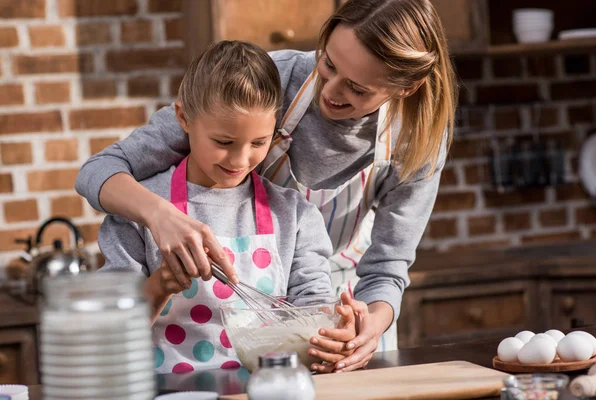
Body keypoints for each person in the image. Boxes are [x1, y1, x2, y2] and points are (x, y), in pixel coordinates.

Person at [77, 0, 457, 373]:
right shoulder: (263, 83)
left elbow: (388, 268)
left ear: (406, 88)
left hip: (339, 305)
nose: (331, 91)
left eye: (357, 89)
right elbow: (101, 169)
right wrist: (160, 217)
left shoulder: (415, 139)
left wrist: (365, 328)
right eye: (328, 63)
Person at [96, 40, 344, 373]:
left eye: (259, 142)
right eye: (223, 142)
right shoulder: (137, 213)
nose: (241, 160)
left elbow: (313, 308)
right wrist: (161, 284)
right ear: (184, 118)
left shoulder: (294, 215)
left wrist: (334, 328)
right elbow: (108, 337)